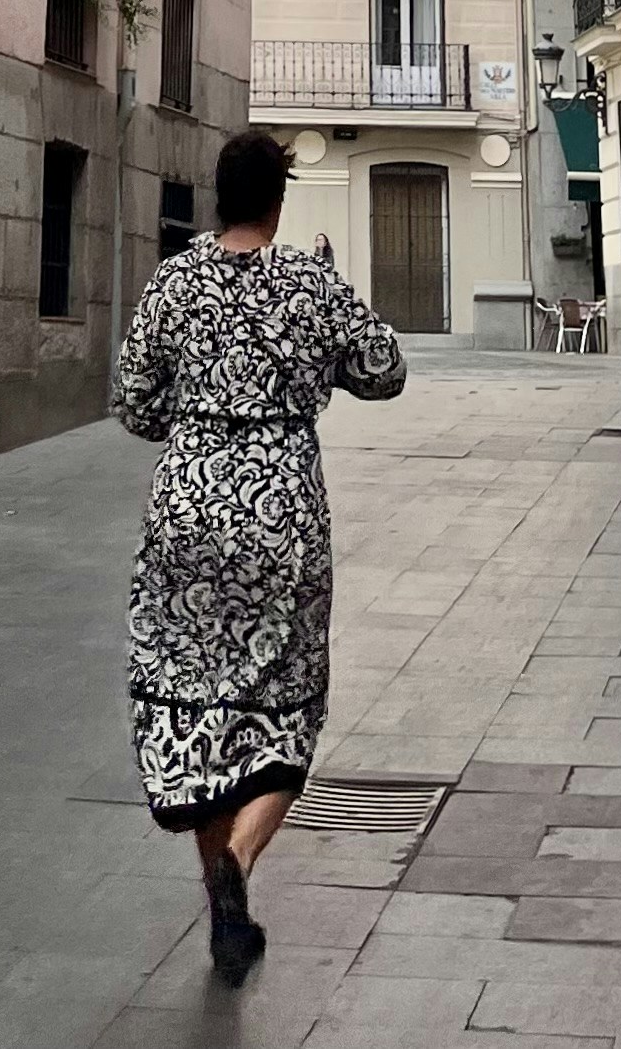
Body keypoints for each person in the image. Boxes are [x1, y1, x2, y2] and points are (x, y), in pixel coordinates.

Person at [112, 125, 407, 984]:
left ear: (216, 195)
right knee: (282, 700)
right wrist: (324, 302)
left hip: (186, 507)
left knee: (192, 694)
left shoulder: (174, 280)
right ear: (278, 200)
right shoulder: (308, 281)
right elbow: (383, 371)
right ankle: (239, 864)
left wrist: (204, 424)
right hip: (281, 510)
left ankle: (219, 886)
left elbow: (133, 403)